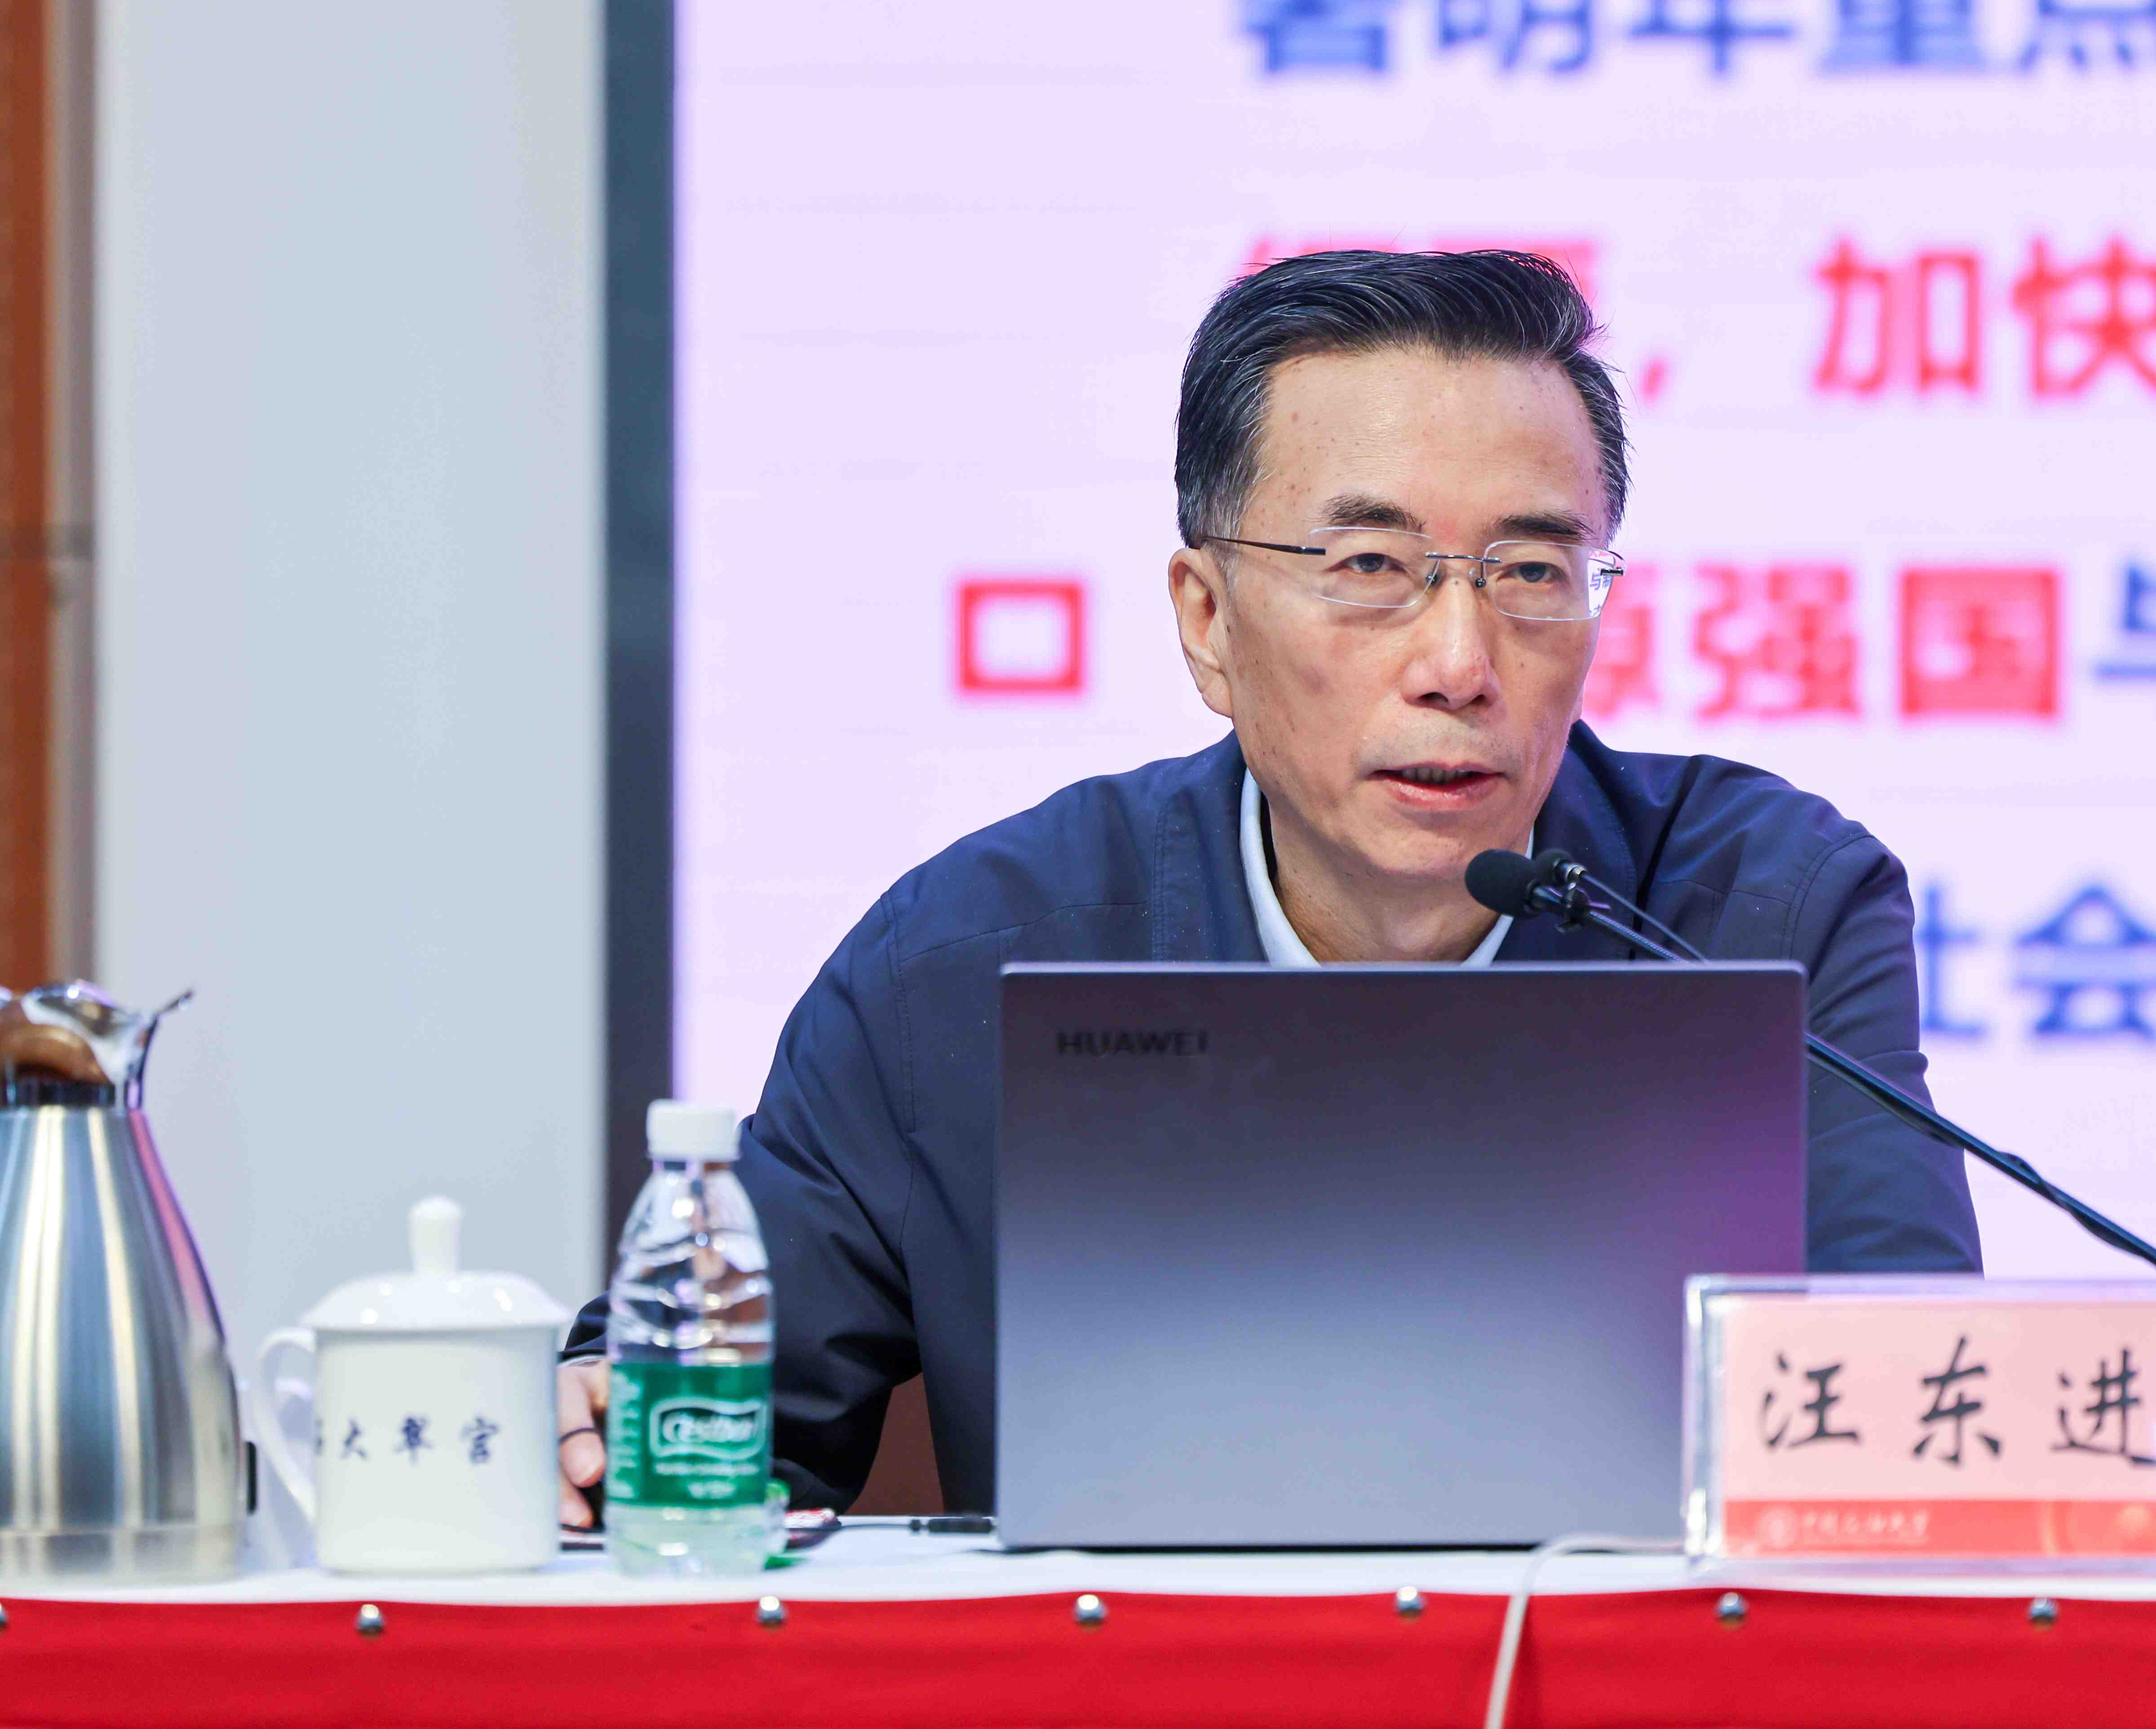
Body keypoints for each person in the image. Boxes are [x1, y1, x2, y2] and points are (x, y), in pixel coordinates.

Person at [558, 249, 1980, 1523]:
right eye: (1369, 564)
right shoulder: (972, 957)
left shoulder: (1760, 912)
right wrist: (594, 1416)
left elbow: (1914, 1413)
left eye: (1530, 570)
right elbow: (706, 1407)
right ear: (1206, 622)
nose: (1458, 662)